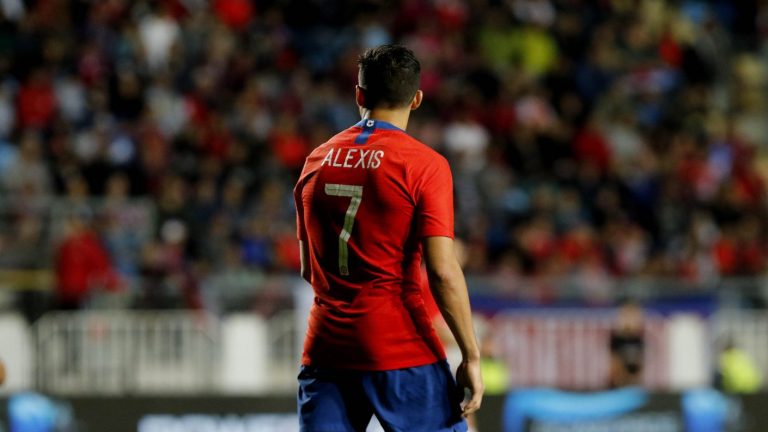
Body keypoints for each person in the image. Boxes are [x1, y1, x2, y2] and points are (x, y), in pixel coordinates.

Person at [294, 44, 484, 431]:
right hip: (399, 347)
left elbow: (306, 268)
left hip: (326, 350)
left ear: (359, 95)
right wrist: (471, 356)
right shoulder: (424, 165)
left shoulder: (316, 159)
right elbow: (444, 273)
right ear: (416, 99)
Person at [608, 299, 645, 387]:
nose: (630, 321)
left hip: (632, 383)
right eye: (626, 316)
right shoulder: (616, 339)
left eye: (633, 317)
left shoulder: (638, 340)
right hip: (619, 383)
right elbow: (615, 365)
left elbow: (639, 364)